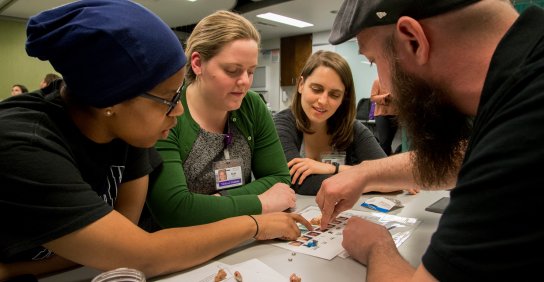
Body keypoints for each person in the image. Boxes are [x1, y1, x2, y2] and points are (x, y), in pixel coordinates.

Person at [0, 1, 310, 281]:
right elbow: (142, 253)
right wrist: (255, 223)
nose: (178, 110)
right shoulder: (25, 143)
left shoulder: (130, 131)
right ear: (112, 99)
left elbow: (125, 235)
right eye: (167, 98)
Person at [317, 0, 544, 280]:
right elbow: (464, 159)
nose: (385, 91)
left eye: (374, 61)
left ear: (413, 40)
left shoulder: (524, 126)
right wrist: (365, 173)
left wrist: (377, 246)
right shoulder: (523, 78)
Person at [145, 10, 296, 228]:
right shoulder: (168, 113)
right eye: (233, 70)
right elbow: (174, 211)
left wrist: (215, 202)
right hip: (175, 246)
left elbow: (279, 179)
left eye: (251, 71)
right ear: (197, 63)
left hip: (237, 238)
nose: (245, 82)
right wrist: (260, 202)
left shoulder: (252, 106)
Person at [273, 50, 387, 195]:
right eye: (316, 89)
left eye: (334, 94)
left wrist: (333, 168)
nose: (323, 101)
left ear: (343, 98)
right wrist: (370, 180)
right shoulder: (281, 125)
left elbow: (391, 176)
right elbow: (302, 183)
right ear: (301, 85)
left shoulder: (352, 128)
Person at [370, 77, 398, 155]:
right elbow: (372, 98)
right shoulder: (377, 81)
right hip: (381, 115)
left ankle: (387, 161)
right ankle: (382, 161)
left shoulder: (397, 81)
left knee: (388, 142)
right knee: (384, 142)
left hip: (395, 114)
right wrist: (385, 97)